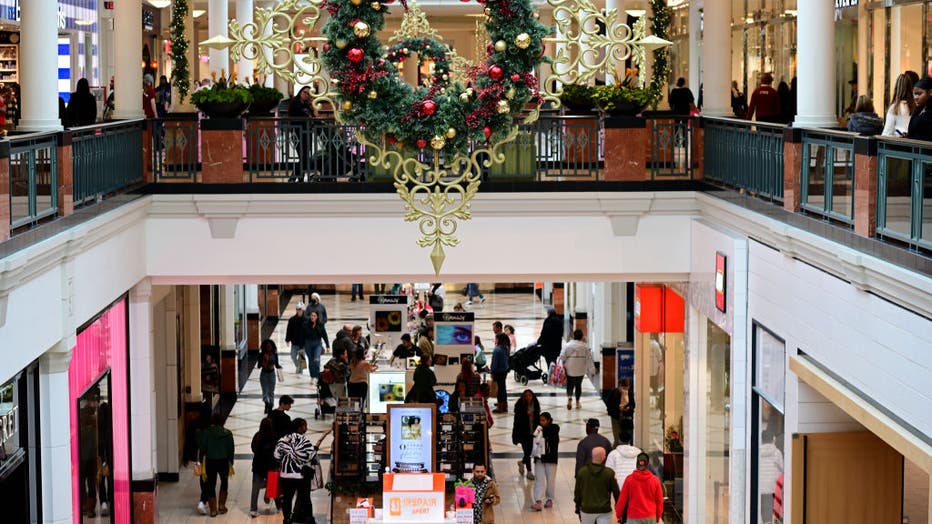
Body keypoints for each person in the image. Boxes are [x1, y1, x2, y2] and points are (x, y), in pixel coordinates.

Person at [274, 418, 318, 524]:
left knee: (287, 499)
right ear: (300, 427)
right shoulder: (303, 440)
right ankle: (308, 519)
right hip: (301, 476)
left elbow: (276, 455)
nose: (306, 428)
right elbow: (311, 455)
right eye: (305, 426)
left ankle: (287, 519)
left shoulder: (282, 440)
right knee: (305, 498)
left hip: (286, 476)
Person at [198, 413, 234, 517]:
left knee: (211, 485)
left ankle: (213, 510)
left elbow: (203, 448)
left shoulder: (207, 432)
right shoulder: (228, 433)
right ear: (223, 421)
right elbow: (231, 450)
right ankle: (222, 505)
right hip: (223, 461)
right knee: (224, 482)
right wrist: (231, 462)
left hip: (210, 461)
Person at [615, 452, 664, 524]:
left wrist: (618, 515)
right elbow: (659, 501)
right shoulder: (655, 480)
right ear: (647, 465)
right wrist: (658, 516)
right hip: (650, 516)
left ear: (636, 464)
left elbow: (622, 500)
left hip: (633, 516)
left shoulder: (629, 479)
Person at [574, 447, 619, 524]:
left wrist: (578, 507)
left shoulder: (582, 472)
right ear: (602, 457)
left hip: (587, 509)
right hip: (604, 510)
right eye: (605, 455)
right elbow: (616, 492)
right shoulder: (609, 473)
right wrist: (618, 508)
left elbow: (577, 492)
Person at [249, 417, 279, 517]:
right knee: (273, 485)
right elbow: (277, 451)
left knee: (255, 488)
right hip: (271, 464)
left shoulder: (257, 435)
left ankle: (253, 509)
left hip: (258, 465)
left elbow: (253, 448)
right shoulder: (274, 436)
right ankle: (279, 506)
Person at [530, 411, 559, 511]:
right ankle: (538, 501)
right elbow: (533, 440)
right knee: (539, 479)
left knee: (550, 480)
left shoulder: (554, 428)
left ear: (548, 420)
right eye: (540, 420)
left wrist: (541, 430)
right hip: (539, 459)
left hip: (551, 459)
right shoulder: (538, 429)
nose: (541, 422)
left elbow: (550, 434)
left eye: (543, 420)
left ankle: (550, 499)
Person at [561, 329, 593, 410]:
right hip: (580, 370)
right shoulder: (585, 347)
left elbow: (562, 357)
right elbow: (589, 359)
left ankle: (569, 397)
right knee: (578, 385)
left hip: (569, 369)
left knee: (570, 384)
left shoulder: (567, 345)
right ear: (582, 337)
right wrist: (592, 370)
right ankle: (578, 402)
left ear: (573, 336)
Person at [512, 389, 540, 480]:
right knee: (527, 452)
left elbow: (538, 420)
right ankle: (529, 471)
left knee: (530, 452)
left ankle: (521, 462)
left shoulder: (535, 405)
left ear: (532, 396)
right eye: (526, 396)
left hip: (533, 433)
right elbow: (516, 422)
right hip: (523, 433)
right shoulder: (520, 406)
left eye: (530, 395)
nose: (528, 397)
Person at [607, 377, 635, 447]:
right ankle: (615, 452)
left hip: (626, 418)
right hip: (616, 417)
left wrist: (629, 408)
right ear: (620, 386)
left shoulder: (630, 393)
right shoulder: (614, 392)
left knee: (627, 437)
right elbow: (609, 404)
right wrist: (618, 407)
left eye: (627, 388)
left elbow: (633, 404)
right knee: (617, 437)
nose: (625, 390)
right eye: (623, 388)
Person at [257, 339, 283, 414]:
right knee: (265, 392)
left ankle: (270, 406)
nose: (269, 348)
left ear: (272, 347)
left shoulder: (274, 354)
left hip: (272, 374)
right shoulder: (261, 354)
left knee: (271, 392)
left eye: (270, 346)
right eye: (267, 346)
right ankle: (267, 404)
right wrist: (264, 360)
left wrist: (280, 369)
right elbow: (258, 366)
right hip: (264, 374)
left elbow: (277, 365)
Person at [303, 310, 329, 383]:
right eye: (311, 315)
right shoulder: (305, 325)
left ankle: (317, 376)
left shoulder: (320, 325)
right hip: (308, 344)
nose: (312, 317)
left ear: (317, 317)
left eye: (314, 316)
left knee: (316, 359)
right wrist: (301, 346)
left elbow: (324, 335)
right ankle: (312, 376)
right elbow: (302, 336)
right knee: (311, 361)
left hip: (317, 344)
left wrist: (327, 345)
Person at [490, 332, 510, 412]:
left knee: (499, 390)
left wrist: (492, 372)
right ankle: (504, 406)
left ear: (498, 339)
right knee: (503, 389)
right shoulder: (506, 348)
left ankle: (500, 407)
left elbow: (495, 363)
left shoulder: (497, 350)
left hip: (498, 372)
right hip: (504, 371)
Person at [285, 302, 307, 374]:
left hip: (302, 343)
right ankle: (299, 367)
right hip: (294, 342)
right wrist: (287, 339)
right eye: (297, 309)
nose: (298, 311)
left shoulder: (306, 320)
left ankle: (300, 371)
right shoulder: (292, 320)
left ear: (303, 310)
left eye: (300, 309)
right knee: (293, 356)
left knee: (302, 358)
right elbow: (289, 330)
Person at [908, 77, 932, 141]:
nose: (916, 97)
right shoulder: (918, 109)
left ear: (930, 92)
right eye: (914, 94)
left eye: (919, 94)